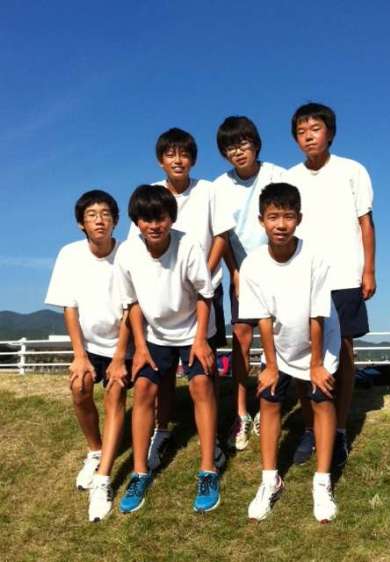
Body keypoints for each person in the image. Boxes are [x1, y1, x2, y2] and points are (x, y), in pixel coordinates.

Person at [129, 128, 233, 471]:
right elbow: (135, 245)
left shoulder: (208, 190)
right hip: (161, 293)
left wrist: (203, 272)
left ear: (193, 159)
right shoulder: (150, 194)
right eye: (170, 154)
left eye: (184, 154)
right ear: (160, 160)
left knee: (205, 364)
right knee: (162, 370)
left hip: (203, 290)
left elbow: (221, 236)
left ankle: (211, 437)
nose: (178, 160)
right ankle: (162, 429)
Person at [114, 185, 220, 514]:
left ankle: (208, 470)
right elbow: (131, 303)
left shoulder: (188, 244)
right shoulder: (128, 253)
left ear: (171, 219)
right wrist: (140, 347)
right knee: (144, 389)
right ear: (136, 222)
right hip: (154, 333)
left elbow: (204, 295)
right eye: (146, 219)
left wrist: (200, 340)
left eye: (160, 218)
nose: (154, 225)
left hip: (193, 328)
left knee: (200, 384)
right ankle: (140, 472)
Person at [239, 182, 341, 523]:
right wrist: (270, 364)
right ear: (261, 221)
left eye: (288, 216)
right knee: (269, 398)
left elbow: (317, 315)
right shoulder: (253, 265)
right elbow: (263, 318)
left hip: (320, 340)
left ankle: (322, 482)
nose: (281, 224)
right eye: (273, 217)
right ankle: (270, 480)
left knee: (322, 399)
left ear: (299, 218)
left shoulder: (315, 257)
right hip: (280, 343)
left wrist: (316, 364)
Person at [284, 103, 376, 467]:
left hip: (345, 274)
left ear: (330, 133)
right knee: (304, 351)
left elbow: (366, 223)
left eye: (315, 128)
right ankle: (311, 427)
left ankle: (337, 430)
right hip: (303, 276)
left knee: (346, 351)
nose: (308, 136)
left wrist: (368, 270)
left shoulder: (353, 170)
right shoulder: (290, 177)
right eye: (301, 131)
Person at [45, 190, 132, 522]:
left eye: (106, 214)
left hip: (124, 343)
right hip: (90, 345)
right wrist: (79, 355)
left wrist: (120, 358)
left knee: (115, 393)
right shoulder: (69, 254)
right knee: (79, 388)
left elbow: (131, 309)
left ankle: (104, 479)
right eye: (92, 215)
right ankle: (95, 450)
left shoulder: (127, 253)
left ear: (115, 221)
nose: (99, 220)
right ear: (81, 223)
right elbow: (70, 307)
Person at [213, 116, 285, 450]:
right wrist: (235, 272)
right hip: (242, 273)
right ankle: (241, 413)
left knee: (280, 338)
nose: (238, 151)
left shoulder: (276, 175)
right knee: (241, 339)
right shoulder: (220, 186)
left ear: (255, 144)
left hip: (278, 270)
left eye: (243, 143)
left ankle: (271, 403)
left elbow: (289, 221)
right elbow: (222, 235)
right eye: (230, 147)